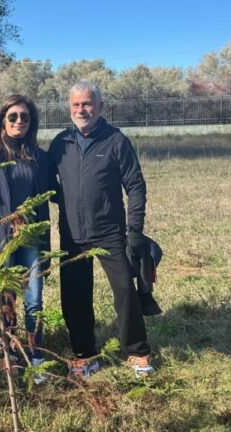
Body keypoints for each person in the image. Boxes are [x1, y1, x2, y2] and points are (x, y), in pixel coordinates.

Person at [47, 81, 154, 379]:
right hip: (71, 233)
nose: (82, 110)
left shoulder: (116, 141)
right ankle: (85, 354)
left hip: (109, 232)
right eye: (76, 105)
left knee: (124, 290)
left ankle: (136, 351)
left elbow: (135, 186)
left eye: (87, 104)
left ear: (100, 107)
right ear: (69, 109)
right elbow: (46, 181)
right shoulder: (60, 143)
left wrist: (135, 230)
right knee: (75, 295)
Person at [0, 94, 50, 378]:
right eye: (13, 116)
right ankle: (8, 351)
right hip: (1, 238)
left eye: (25, 117)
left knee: (34, 298)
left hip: (30, 238)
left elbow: (44, 201)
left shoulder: (37, 156)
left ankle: (35, 354)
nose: (19, 122)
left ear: (32, 122)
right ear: (2, 120)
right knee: (6, 297)